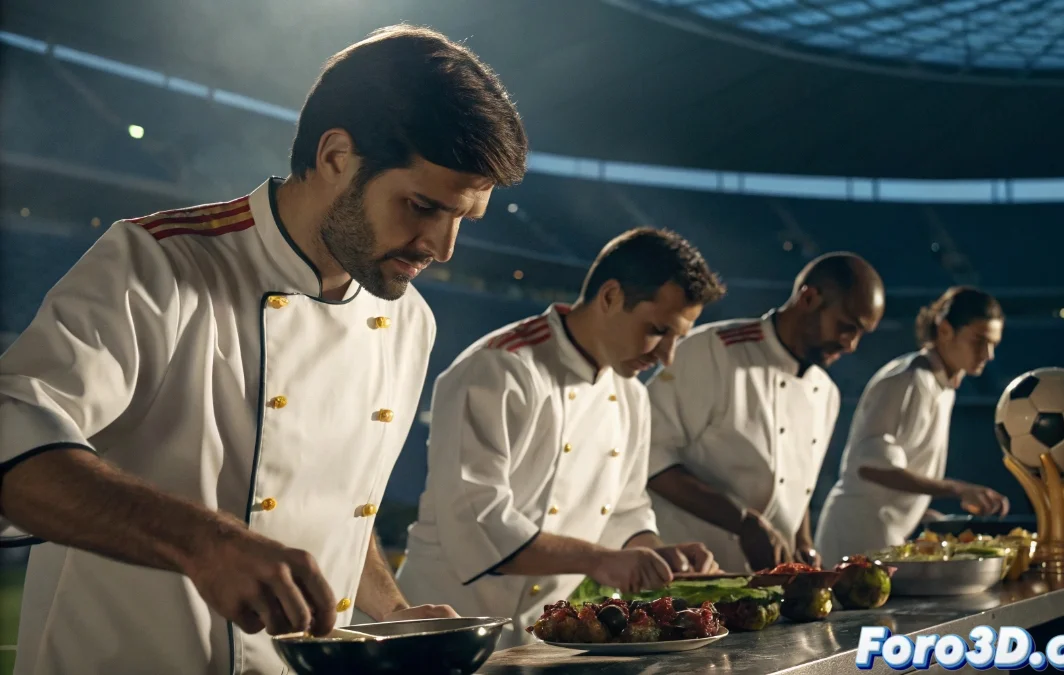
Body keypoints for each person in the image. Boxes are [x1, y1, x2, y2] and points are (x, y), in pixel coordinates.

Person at [0, 25, 527, 675]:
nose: (442, 248)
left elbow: (336, 506)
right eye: (421, 206)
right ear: (336, 156)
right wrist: (203, 541)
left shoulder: (410, 320)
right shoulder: (157, 261)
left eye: (462, 220)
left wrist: (390, 611)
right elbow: (11, 431)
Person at [396, 228, 727, 650]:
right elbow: (479, 519)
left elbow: (625, 510)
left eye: (677, 338)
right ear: (609, 297)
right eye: (658, 330)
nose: (667, 356)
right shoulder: (499, 369)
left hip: (544, 641)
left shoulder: (631, 396)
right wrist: (600, 560)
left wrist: (657, 555)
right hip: (442, 625)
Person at [644, 252, 885, 574]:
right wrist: (741, 522)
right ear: (809, 298)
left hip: (771, 588)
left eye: (859, 334)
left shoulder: (826, 393)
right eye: (846, 327)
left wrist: (803, 544)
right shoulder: (713, 351)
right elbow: (648, 455)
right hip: (687, 577)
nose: (851, 344)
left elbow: (798, 488)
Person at [814, 286, 1011, 564]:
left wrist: (924, 516)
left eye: (993, 344)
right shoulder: (907, 380)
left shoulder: (942, 386)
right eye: (979, 341)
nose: (988, 354)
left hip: (883, 539)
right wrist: (957, 489)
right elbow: (869, 466)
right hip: (856, 538)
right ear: (944, 330)